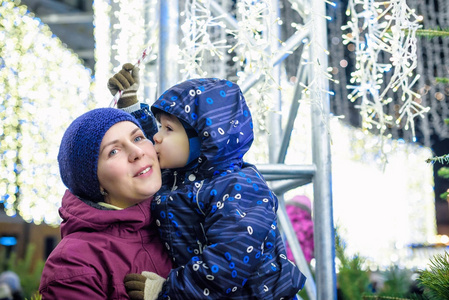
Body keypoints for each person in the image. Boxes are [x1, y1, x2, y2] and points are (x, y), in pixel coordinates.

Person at [108, 71, 306, 299]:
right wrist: (130, 106)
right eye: (159, 127)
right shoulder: (179, 175)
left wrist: (166, 292)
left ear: (205, 137)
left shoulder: (238, 188)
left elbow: (227, 264)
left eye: (168, 129)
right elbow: (153, 149)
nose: (157, 137)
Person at [38, 108, 172, 299]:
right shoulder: (73, 263)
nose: (137, 152)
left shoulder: (180, 221)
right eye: (114, 151)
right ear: (94, 181)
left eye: (138, 138)